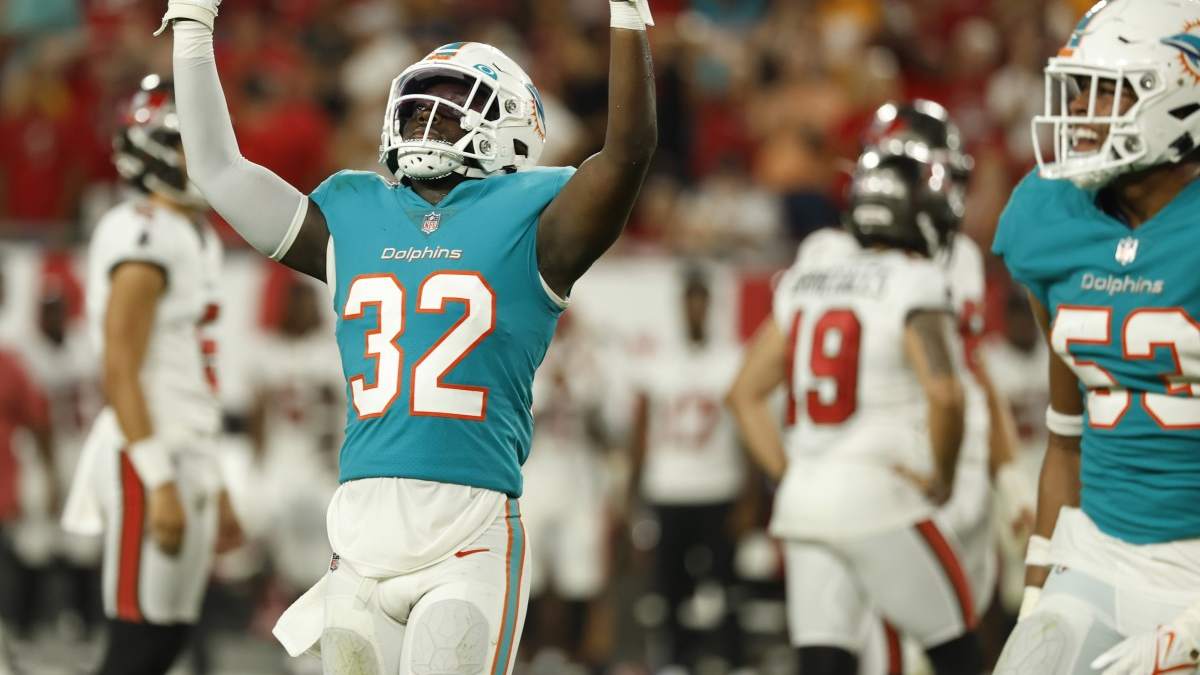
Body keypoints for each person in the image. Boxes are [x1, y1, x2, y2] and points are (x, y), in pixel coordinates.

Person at [156, 0, 657, 670]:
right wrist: (193, 23)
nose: (424, 119)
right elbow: (218, 169)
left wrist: (628, 12)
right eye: (417, 105)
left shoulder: (535, 219)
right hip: (360, 532)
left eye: (449, 106)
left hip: (468, 531)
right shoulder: (354, 209)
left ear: (511, 126)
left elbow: (627, 151)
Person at [992, 1, 1200, 673]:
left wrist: (1185, 636)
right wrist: (1033, 597)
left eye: (1107, 88)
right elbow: (1064, 436)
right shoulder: (1049, 216)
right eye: (1079, 86)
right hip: (1100, 555)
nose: (1079, 108)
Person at [726, 143, 982, 674]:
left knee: (825, 662)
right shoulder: (915, 280)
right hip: (880, 496)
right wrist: (943, 478)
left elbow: (744, 393)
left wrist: (794, 471)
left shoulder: (807, 281)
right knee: (960, 655)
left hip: (804, 502)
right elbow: (947, 393)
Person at [60, 75, 244, 675]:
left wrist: (213, 482)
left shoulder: (190, 232)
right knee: (138, 645)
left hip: (187, 448)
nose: (206, 155)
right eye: (191, 142)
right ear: (154, 149)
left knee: (167, 641)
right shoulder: (143, 232)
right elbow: (119, 366)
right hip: (149, 456)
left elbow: (191, 373)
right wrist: (161, 478)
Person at [850, 101, 1036, 674]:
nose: (945, 193)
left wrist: (1006, 475)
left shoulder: (962, 259)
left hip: (957, 463)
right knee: (900, 639)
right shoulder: (852, 260)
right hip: (892, 463)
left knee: (959, 626)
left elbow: (972, 372)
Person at [628, 269, 748, 671]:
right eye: (690, 300)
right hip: (670, 487)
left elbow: (745, 431)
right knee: (670, 590)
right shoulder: (659, 361)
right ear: (682, 304)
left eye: (702, 300)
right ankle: (677, 662)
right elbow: (640, 432)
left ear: (709, 305)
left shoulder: (730, 358)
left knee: (726, 589)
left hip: (719, 486)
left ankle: (729, 659)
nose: (696, 309)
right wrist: (634, 496)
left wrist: (750, 495)